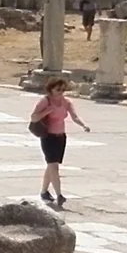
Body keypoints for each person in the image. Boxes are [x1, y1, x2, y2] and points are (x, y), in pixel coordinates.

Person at [29, 75, 89, 208]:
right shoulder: (45, 101)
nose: (61, 92)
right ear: (51, 90)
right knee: (53, 166)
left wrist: (83, 125)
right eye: (58, 90)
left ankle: (44, 191)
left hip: (61, 137)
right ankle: (59, 194)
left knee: (52, 165)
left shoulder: (67, 102)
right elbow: (33, 118)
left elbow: (74, 116)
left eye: (63, 90)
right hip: (48, 136)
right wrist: (46, 112)